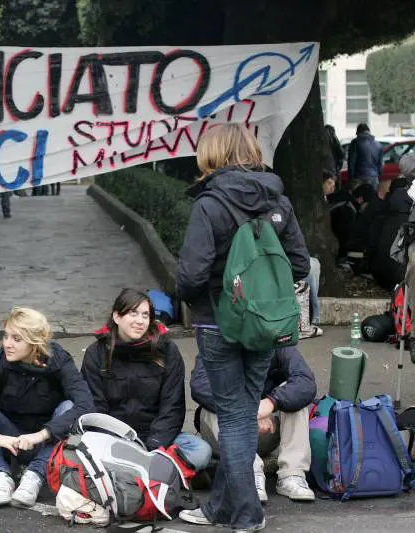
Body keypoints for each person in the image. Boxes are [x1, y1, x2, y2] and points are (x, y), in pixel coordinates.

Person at [176, 124, 309, 532]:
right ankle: (218, 507)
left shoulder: (210, 204)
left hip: (219, 323)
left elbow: (191, 275)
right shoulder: (278, 201)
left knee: (234, 418)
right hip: (267, 326)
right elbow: (300, 265)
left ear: (211, 154)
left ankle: (248, 515)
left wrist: (193, 295)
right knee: (242, 413)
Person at [0, 307, 94, 508]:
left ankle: (35, 476)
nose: (7, 344)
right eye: (6, 336)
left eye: (16, 339)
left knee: (69, 406)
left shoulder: (59, 360)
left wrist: (42, 434)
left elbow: (86, 404)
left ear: (35, 342)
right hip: (9, 440)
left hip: (48, 441)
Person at [80, 288, 212, 471]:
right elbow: (94, 407)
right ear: (116, 317)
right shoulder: (96, 353)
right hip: (112, 437)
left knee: (200, 451)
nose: (140, 321)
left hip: (155, 438)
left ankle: (134, 471)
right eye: (133, 314)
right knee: (78, 447)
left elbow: (172, 407)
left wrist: (153, 445)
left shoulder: (167, 351)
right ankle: (161, 473)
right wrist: (114, 442)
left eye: (145, 315)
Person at [191, 346, 317, 503]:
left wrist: (271, 402)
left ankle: (292, 474)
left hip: (266, 429)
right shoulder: (217, 338)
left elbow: (306, 381)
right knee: (212, 407)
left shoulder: (276, 340)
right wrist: (250, 410)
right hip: (227, 433)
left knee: (297, 396)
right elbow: (200, 385)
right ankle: (250, 475)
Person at [347, 123, 383, 191]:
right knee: (372, 200)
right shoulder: (379, 145)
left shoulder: (355, 142)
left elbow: (351, 162)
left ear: (358, 132)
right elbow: (380, 166)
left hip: (359, 178)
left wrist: (351, 178)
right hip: (374, 179)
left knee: (358, 200)